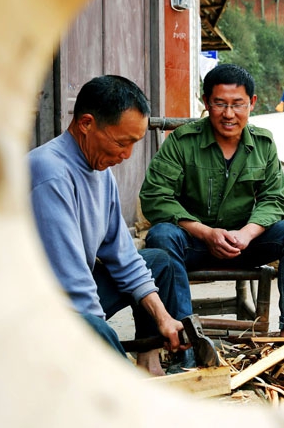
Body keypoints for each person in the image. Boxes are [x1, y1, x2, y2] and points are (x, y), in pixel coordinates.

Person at [28, 75, 193, 375]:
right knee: (95, 331)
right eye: (121, 143)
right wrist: (99, 340)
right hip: (33, 306)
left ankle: (150, 362)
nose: (126, 155)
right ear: (86, 124)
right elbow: (70, 284)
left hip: (70, 290)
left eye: (133, 144)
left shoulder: (101, 172)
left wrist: (163, 317)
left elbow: (124, 256)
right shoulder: (50, 172)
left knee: (158, 262)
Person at [140, 64, 284, 336]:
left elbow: (274, 199)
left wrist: (246, 234)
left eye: (238, 104)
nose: (229, 114)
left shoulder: (263, 144)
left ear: (252, 103)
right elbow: (155, 196)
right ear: (206, 102)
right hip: (193, 244)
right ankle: (186, 334)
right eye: (220, 103)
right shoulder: (181, 142)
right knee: (161, 235)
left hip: (243, 245)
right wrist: (206, 233)